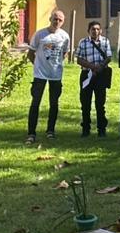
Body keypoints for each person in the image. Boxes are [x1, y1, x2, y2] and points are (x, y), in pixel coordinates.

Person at [26, 9, 71, 142]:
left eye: (60, 20)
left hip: (55, 75)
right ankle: (31, 133)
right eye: (55, 19)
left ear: (63, 22)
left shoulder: (65, 36)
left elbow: (65, 53)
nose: (57, 22)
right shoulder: (40, 34)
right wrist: (38, 65)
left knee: (54, 103)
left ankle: (50, 131)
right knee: (35, 103)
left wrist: (55, 64)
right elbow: (30, 53)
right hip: (40, 75)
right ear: (50, 19)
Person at [76, 20, 114, 137]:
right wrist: (92, 67)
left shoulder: (105, 41)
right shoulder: (83, 42)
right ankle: (85, 129)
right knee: (85, 103)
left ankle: (101, 129)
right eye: (93, 29)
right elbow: (79, 59)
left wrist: (100, 67)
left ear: (100, 31)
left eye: (97, 29)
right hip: (86, 74)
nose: (95, 31)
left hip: (100, 76)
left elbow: (108, 57)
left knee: (100, 103)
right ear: (89, 31)